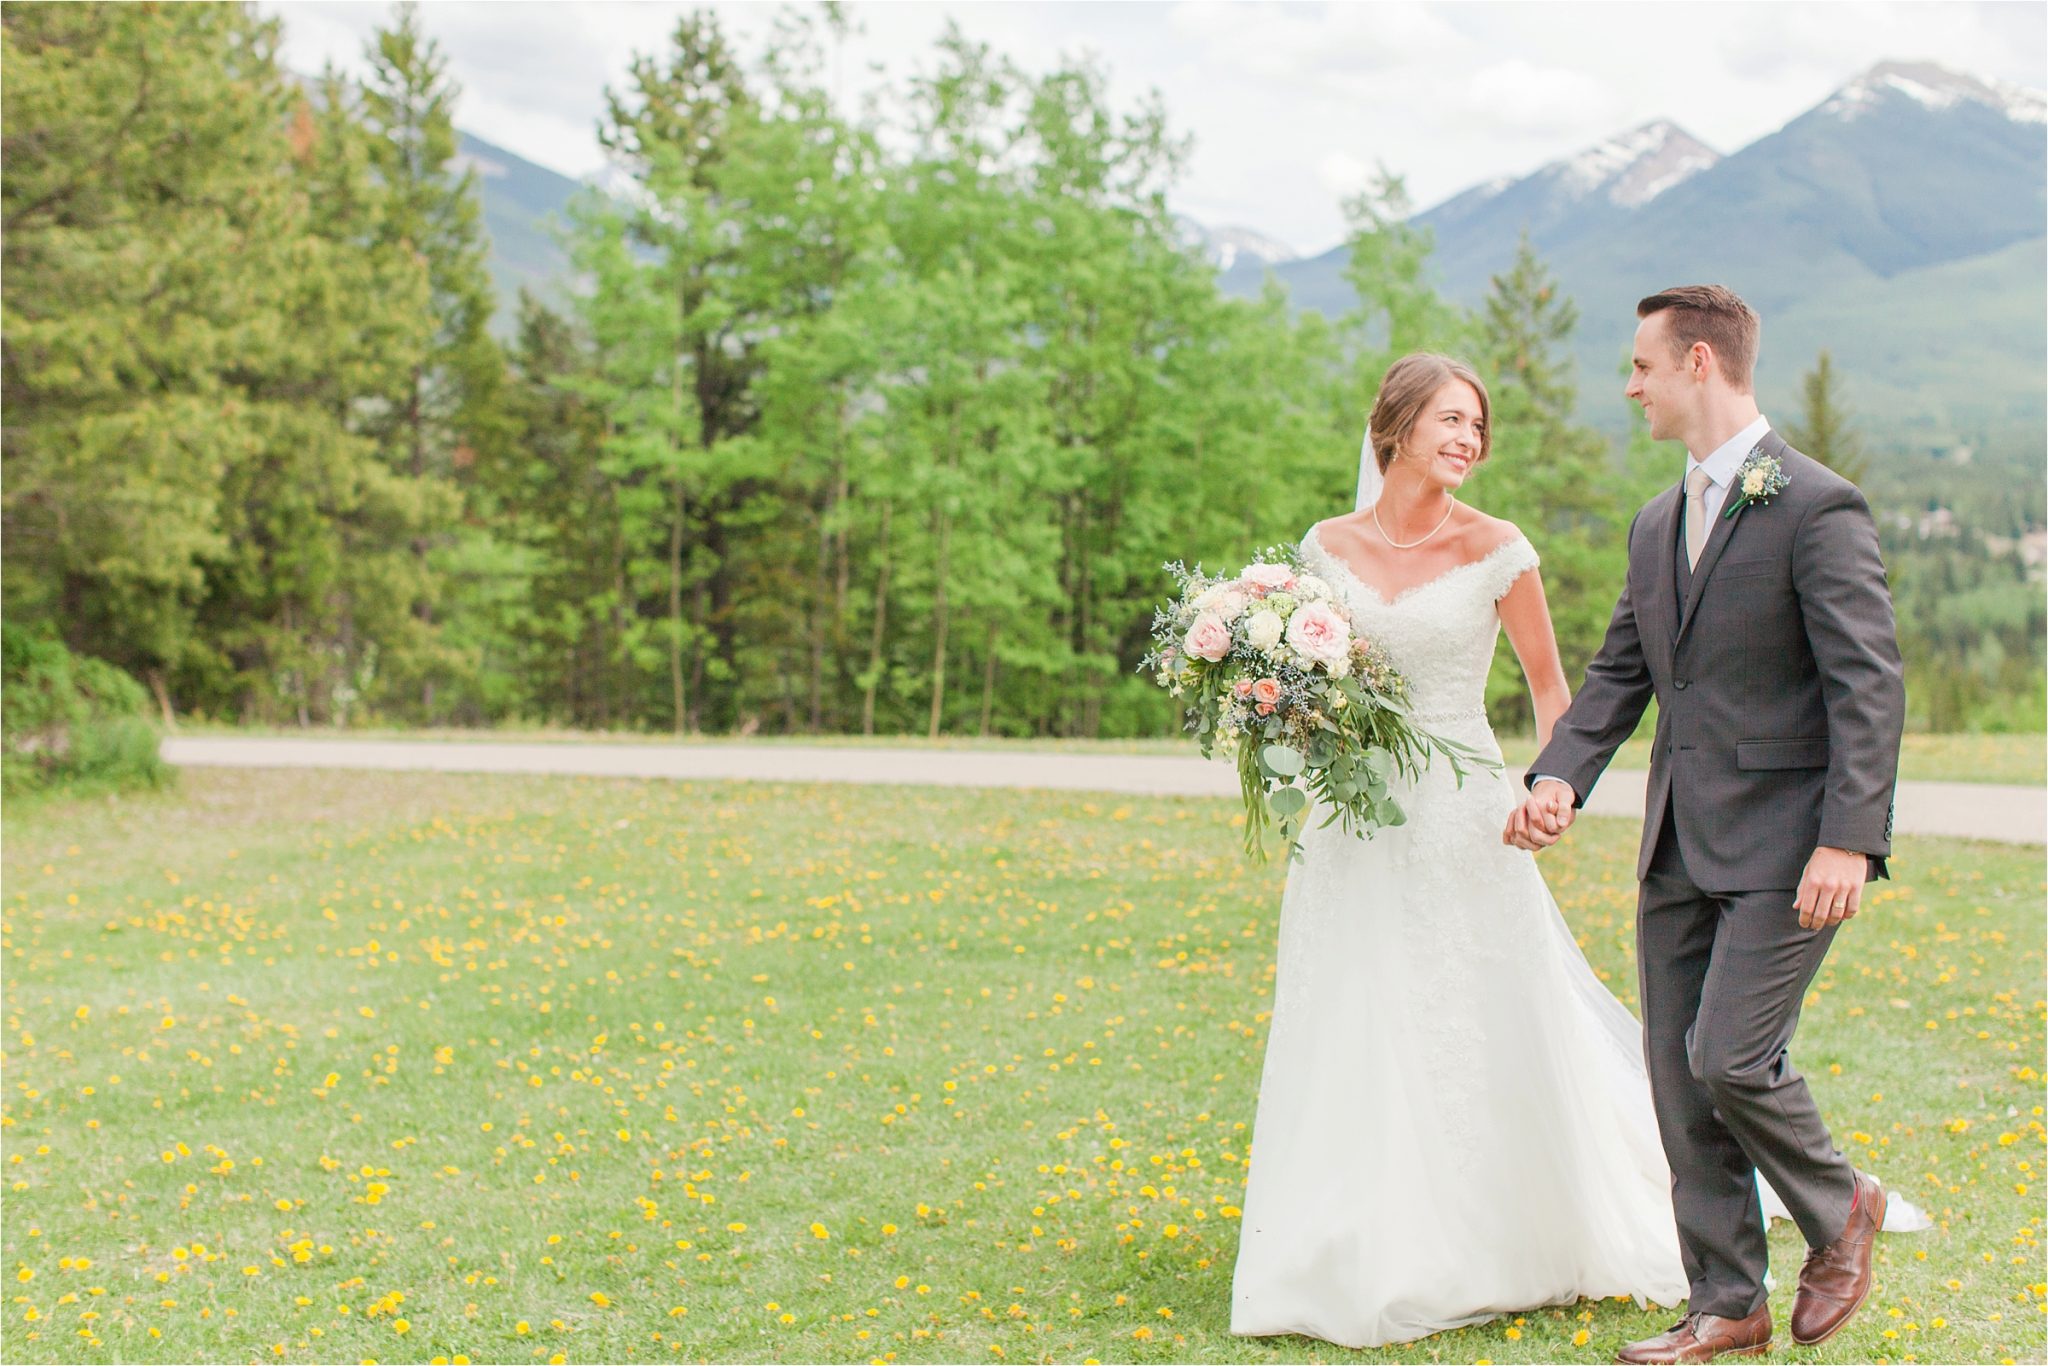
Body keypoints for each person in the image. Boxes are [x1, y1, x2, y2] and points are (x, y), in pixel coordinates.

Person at [1229, 350, 1921, 1354]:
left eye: (1478, 424)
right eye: (1450, 420)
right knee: (1354, 1006)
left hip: (1466, 806)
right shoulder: (1324, 547)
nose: (1468, 438)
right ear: (1394, 424)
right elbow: (1602, 675)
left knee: (1495, 1017)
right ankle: (1349, 1231)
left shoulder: (1500, 546)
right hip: (1355, 817)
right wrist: (1273, 704)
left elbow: (1568, 689)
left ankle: (1534, 1234)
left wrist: (1547, 784)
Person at [1506, 285, 1906, 1363]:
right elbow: (1618, 675)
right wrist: (1559, 777)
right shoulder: (1653, 522)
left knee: (1730, 1056)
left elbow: (1865, 686)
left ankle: (1840, 1203)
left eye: (1638, 365)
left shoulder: (1815, 507)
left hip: (1789, 848)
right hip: (1676, 843)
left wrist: (1847, 837)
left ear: (1695, 362)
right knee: (1678, 1086)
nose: (1627, 385)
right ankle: (1725, 1303)